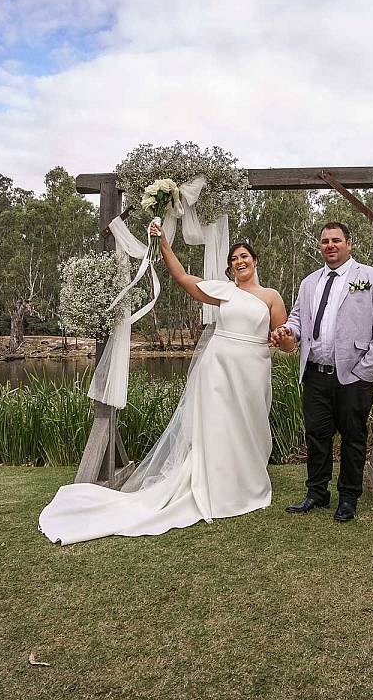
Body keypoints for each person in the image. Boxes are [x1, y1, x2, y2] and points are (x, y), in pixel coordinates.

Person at [39, 227, 286, 544]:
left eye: (244, 256)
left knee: (250, 427)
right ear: (230, 267)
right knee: (219, 427)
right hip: (219, 368)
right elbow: (183, 278)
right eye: (234, 259)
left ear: (255, 260)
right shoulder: (223, 291)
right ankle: (219, 489)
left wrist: (286, 339)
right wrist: (165, 244)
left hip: (253, 369)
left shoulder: (271, 297)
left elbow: (285, 342)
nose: (240, 261)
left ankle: (247, 483)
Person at [271, 221, 373, 523]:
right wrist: (289, 330)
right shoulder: (309, 282)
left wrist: (366, 371)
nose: (330, 245)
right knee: (317, 436)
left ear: (349, 243)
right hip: (314, 373)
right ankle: (317, 492)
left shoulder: (371, 278)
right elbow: (299, 319)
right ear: (320, 246)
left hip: (353, 375)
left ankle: (349, 497)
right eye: (325, 241)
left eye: (336, 240)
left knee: (353, 438)